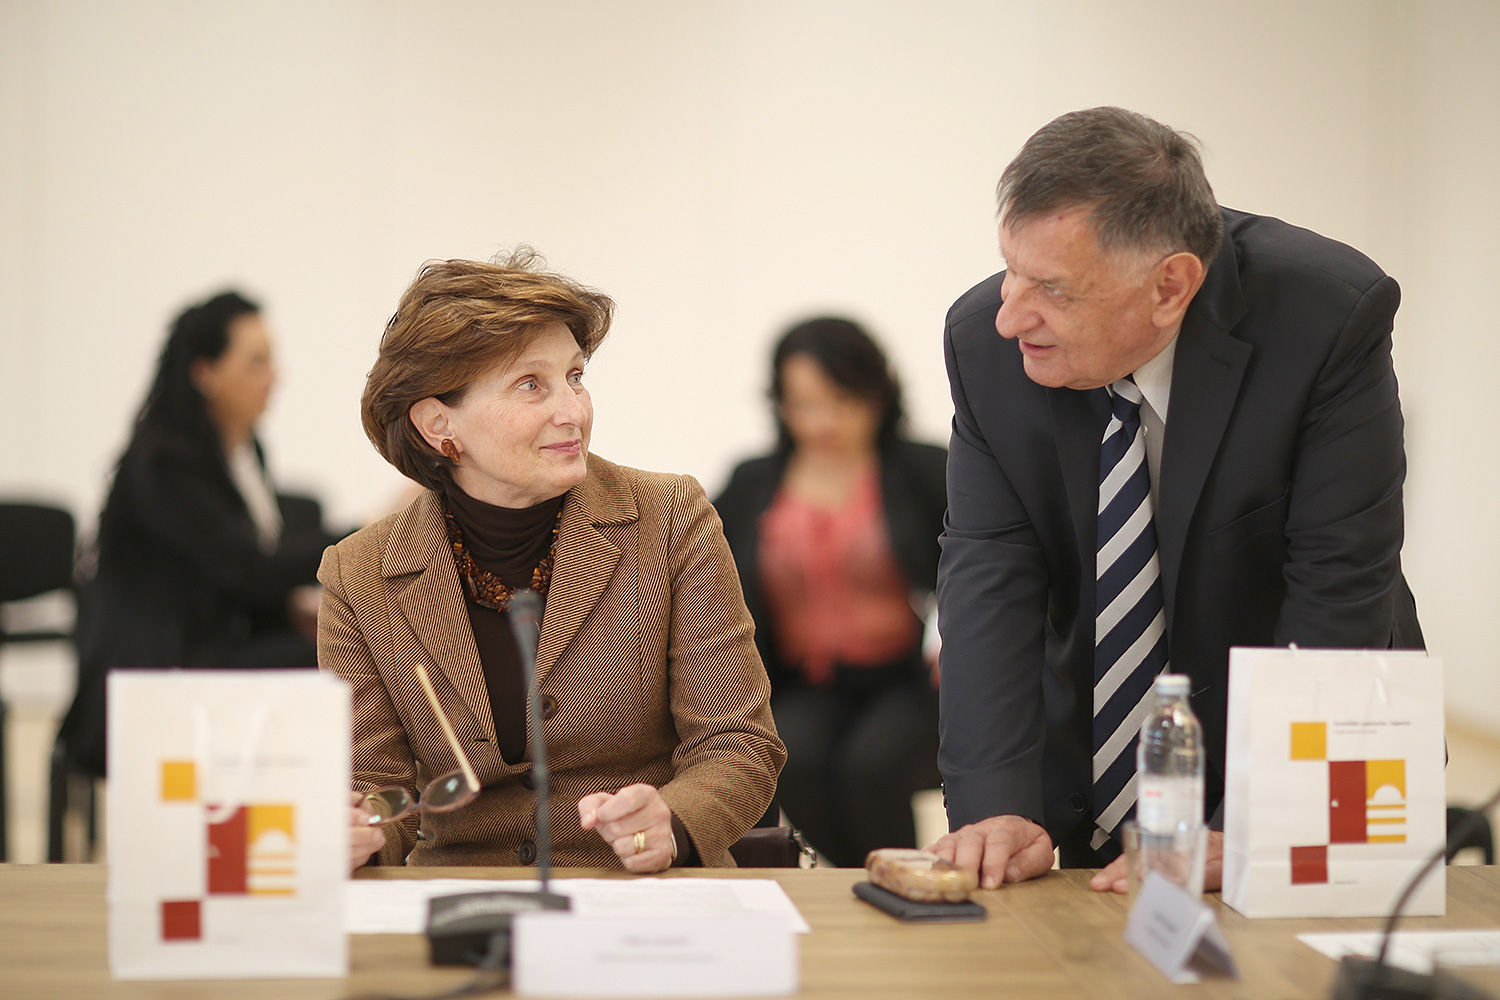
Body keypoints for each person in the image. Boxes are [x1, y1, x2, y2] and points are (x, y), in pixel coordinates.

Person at [928, 107, 1423, 894]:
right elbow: (990, 573)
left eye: (1052, 288)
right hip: (1095, 760)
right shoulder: (985, 347)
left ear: (1170, 286)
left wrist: (1264, 821)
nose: (1010, 314)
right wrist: (994, 806)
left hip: (1314, 750)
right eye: (1010, 269)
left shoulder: (1326, 317)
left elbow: (1337, 583)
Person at [327, 250, 785, 872]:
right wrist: (362, 832)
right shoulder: (359, 573)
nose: (573, 411)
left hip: (640, 890)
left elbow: (741, 746)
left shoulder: (669, 519)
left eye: (574, 377)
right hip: (465, 899)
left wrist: (671, 821)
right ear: (438, 424)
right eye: (530, 384)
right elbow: (382, 792)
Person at [58, 291, 334, 776]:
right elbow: (248, 568)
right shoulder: (164, 462)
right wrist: (363, 531)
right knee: (344, 656)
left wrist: (300, 610)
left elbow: (244, 571)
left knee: (346, 641)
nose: (275, 376)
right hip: (162, 666)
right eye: (256, 362)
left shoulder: (243, 449)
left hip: (214, 641)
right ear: (205, 373)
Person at [714, 318, 946, 867]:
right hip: (802, 680)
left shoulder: (922, 469)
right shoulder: (754, 480)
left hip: (902, 678)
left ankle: (893, 880)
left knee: (874, 764)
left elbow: (980, 566)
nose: (823, 422)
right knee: (790, 755)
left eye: (842, 401)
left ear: (877, 393)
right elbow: (701, 569)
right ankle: (858, 881)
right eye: (803, 405)